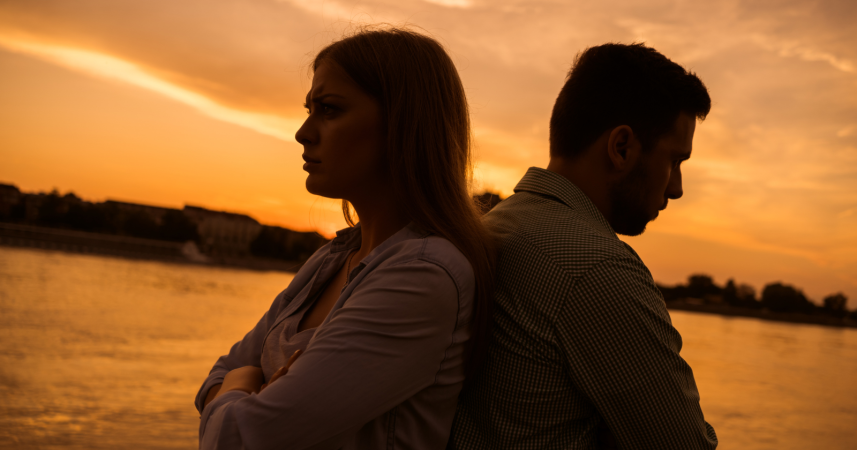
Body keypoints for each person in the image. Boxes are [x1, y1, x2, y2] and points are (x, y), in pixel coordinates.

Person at [194, 27, 494, 449]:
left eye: (329, 110)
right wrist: (242, 390)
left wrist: (240, 386)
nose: (303, 132)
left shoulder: (422, 277)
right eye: (309, 110)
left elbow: (237, 438)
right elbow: (217, 375)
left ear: (401, 125)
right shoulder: (333, 258)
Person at [449, 43, 718, 449]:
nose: (677, 188)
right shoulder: (596, 270)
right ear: (621, 147)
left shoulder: (493, 226)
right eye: (674, 161)